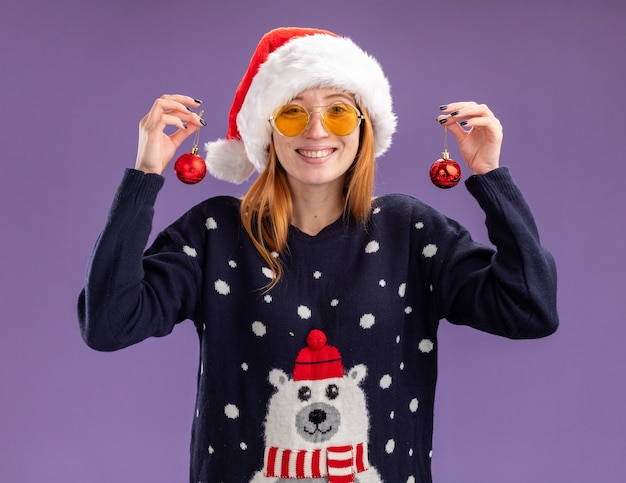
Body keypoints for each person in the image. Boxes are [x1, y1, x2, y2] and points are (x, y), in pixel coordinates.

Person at [78, 27, 558, 483]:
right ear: (267, 131)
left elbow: (529, 307)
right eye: (292, 111)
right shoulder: (215, 233)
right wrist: (145, 175)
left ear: (363, 127)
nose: (314, 130)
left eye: (338, 112)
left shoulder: (410, 232)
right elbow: (109, 321)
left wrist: (489, 176)